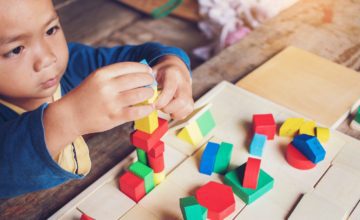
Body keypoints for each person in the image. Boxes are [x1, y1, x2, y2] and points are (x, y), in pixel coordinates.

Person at [0, 0, 193, 198]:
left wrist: (171, 64)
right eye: (16, 49)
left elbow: (145, 55)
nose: (48, 58)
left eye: (50, 30)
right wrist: (69, 119)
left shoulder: (75, 63)